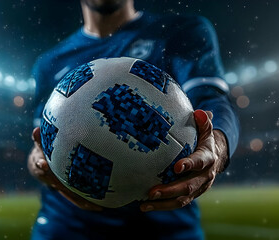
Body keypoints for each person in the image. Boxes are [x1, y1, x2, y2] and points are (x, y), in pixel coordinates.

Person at [27, 0, 240, 239]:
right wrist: (38, 163)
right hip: (66, 227)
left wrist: (217, 146)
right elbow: (40, 141)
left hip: (163, 227)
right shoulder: (48, 64)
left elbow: (212, 99)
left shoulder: (179, 31)